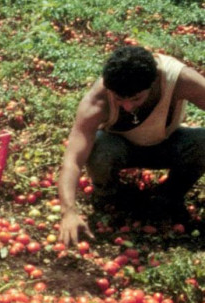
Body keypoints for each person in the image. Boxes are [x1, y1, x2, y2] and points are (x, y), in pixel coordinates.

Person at [58, 45, 205, 245]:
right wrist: (68, 211)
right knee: (99, 146)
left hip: (167, 143)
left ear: (152, 84)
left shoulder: (179, 80)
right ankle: (109, 197)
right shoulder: (98, 100)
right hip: (119, 148)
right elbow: (73, 159)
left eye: (136, 98)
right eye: (119, 99)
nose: (127, 106)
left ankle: (170, 195)